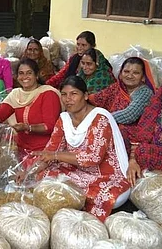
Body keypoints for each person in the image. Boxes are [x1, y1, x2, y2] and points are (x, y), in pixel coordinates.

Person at [34, 75, 130, 222]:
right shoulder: (64, 118)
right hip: (74, 169)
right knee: (41, 175)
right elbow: (52, 148)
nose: (68, 99)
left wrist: (54, 155)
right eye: (64, 95)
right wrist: (32, 170)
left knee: (103, 195)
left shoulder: (99, 118)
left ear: (85, 96)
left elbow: (93, 158)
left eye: (74, 94)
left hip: (103, 174)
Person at [0, 58, 61, 158]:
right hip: (21, 149)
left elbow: (50, 126)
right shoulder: (16, 94)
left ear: (36, 75)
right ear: (17, 76)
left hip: (45, 150)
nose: (25, 77)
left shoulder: (48, 94)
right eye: (21, 73)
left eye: (29, 73)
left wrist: (27, 127)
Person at [90, 57, 155, 134]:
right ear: (120, 74)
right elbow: (97, 99)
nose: (130, 76)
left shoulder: (145, 92)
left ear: (143, 77)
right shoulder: (116, 87)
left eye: (136, 73)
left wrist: (101, 119)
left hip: (132, 132)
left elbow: (129, 114)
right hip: (108, 124)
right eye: (126, 71)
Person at [46, 31, 112, 88]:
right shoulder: (74, 59)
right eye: (78, 44)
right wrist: (46, 84)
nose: (79, 48)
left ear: (92, 46)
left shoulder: (101, 63)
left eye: (83, 45)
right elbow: (61, 74)